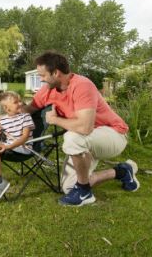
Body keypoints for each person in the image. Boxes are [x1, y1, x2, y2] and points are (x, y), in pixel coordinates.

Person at [23, 51, 139, 206]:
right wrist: (0, 117)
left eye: (42, 75)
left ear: (56, 73)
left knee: (72, 137)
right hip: (86, 140)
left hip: (113, 134)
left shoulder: (82, 85)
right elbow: (29, 109)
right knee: (69, 187)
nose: (40, 79)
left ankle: (84, 192)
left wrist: (55, 119)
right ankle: (123, 171)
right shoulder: (47, 90)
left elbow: (85, 127)